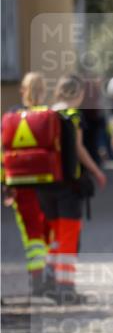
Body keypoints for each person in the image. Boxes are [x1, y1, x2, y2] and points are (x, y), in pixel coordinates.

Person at [37, 75, 107, 303]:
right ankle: (66, 289)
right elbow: (78, 149)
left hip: (44, 185)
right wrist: (97, 171)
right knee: (69, 236)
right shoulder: (73, 115)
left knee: (56, 235)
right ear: (78, 93)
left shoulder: (45, 113)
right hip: (68, 186)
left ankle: (48, 281)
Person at [2, 72, 51, 294]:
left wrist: (5, 183)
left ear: (23, 91)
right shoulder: (50, 116)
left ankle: (36, 276)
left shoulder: (11, 117)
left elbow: (3, 152)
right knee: (47, 229)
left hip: (20, 183)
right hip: (48, 183)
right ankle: (47, 276)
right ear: (44, 91)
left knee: (31, 232)